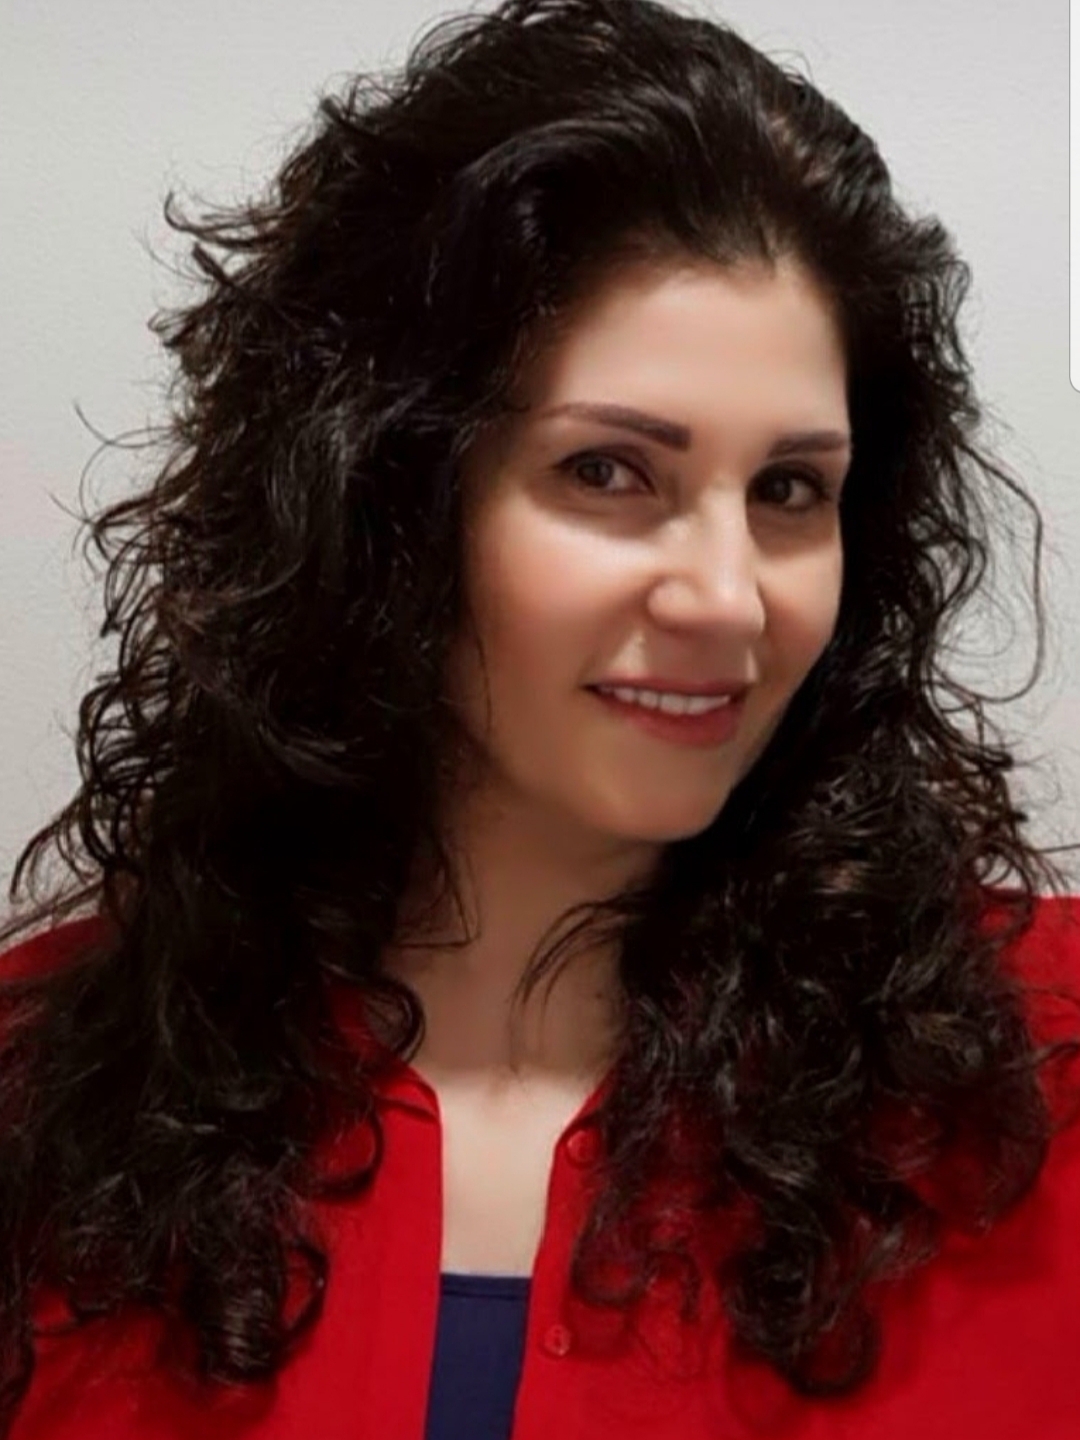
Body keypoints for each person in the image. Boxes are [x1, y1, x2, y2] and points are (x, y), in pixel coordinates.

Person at [1, 0, 1079, 1435]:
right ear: (385, 502)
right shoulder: (38, 1097)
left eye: (789, 490)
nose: (728, 599)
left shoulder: (1042, 1072)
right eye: (608, 473)